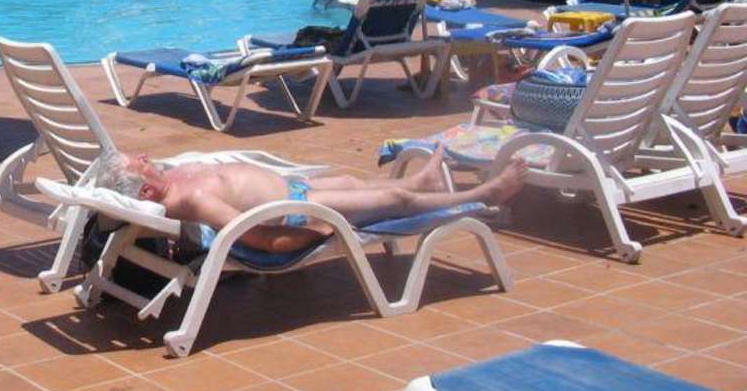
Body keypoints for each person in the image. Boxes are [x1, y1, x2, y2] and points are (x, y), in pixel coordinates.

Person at [97, 148, 527, 257]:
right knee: (393, 199)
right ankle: (483, 195)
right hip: (297, 211)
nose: (146, 158)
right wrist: (318, 230)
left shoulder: (170, 180)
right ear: (146, 192)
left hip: (294, 190)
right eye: (141, 163)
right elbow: (253, 235)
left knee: (353, 181)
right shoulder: (190, 199)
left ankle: (421, 181)